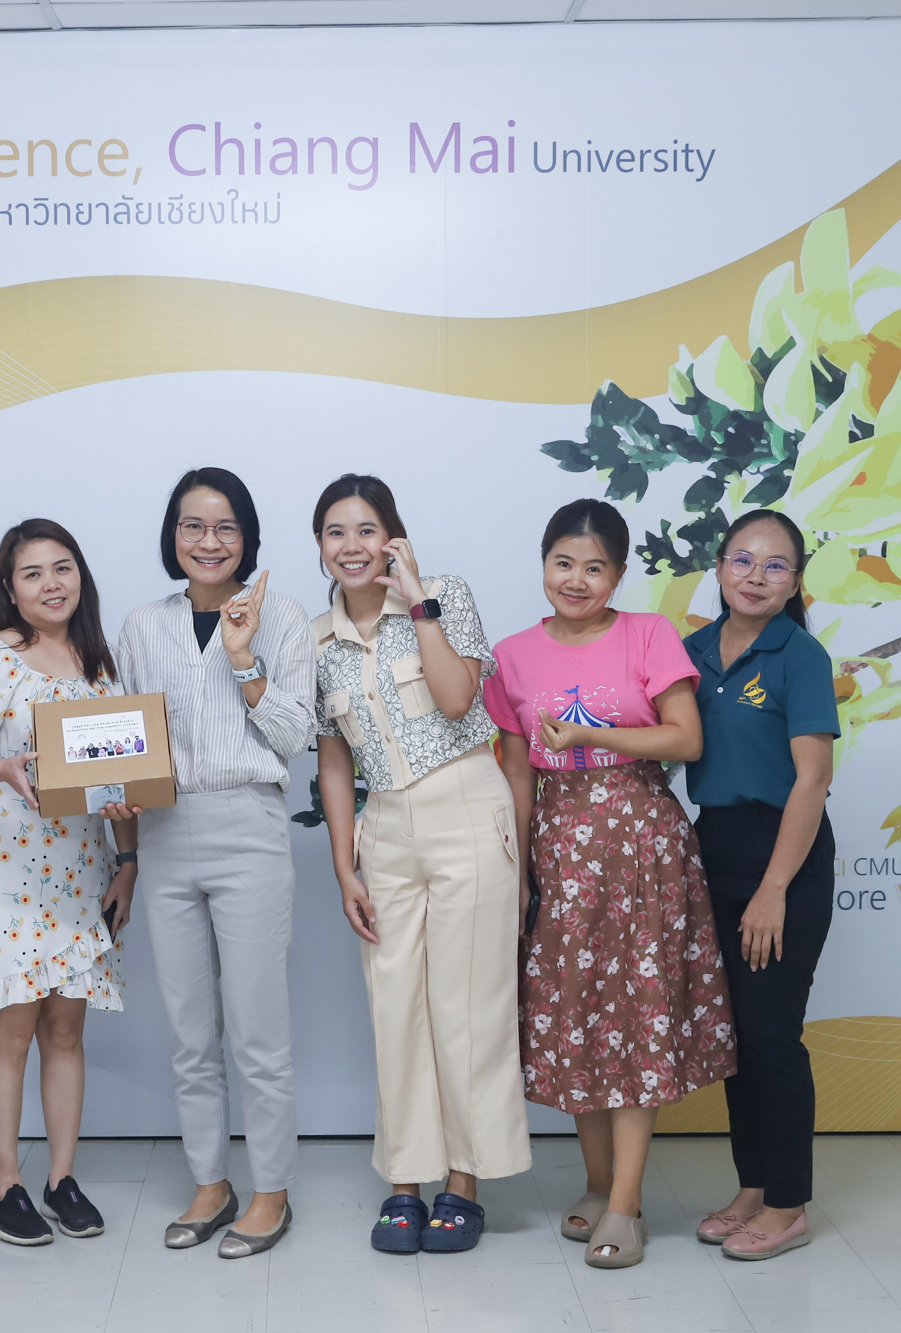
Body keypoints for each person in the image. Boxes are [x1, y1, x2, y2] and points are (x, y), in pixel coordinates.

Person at [484, 498, 735, 1270]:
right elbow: (518, 771)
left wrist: (591, 733)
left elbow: (685, 737)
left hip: (639, 845)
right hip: (559, 849)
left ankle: (626, 1203)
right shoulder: (513, 655)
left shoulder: (648, 633)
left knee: (633, 1017)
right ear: (544, 563)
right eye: (563, 562)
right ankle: (597, 1184)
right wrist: (519, 868)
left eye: (594, 567)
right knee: (578, 1017)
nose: (577, 579)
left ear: (619, 575)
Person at [308, 474, 531, 1255]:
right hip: (386, 828)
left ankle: (463, 1184)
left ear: (394, 537)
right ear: (320, 545)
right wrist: (345, 865)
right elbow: (334, 761)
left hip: (466, 804)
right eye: (336, 532)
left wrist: (418, 599)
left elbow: (458, 697)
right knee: (394, 1007)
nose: (352, 546)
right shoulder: (317, 640)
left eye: (367, 530)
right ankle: (406, 1180)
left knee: (466, 1007)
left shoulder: (444, 595)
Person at [115, 467, 315, 1258]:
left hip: (248, 823)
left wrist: (243, 656)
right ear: (173, 534)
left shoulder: (282, 617)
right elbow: (125, 742)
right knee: (189, 1030)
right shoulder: (142, 625)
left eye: (225, 526)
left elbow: (295, 735)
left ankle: (270, 1191)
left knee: (259, 1032)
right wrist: (116, 805)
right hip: (165, 831)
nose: (209, 540)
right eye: (193, 525)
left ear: (247, 536)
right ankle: (210, 1181)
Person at [0, 519, 138, 1247]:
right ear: (10, 588)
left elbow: (120, 782)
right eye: (33, 573)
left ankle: (60, 1178)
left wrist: (128, 861)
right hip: (8, 871)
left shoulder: (100, 666)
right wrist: (1, 767)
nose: (52, 584)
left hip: (81, 872)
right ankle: (3, 1186)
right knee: (13, 1033)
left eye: (62, 567)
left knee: (66, 1032)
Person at [683, 509, 840, 1262]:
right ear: (719, 569)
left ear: (796, 581)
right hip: (713, 845)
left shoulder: (799, 656)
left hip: (785, 853)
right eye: (742, 559)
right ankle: (753, 1186)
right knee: (735, 1035)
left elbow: (812, 779)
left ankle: (788, 1203)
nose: (755, 575)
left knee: (772, 1033)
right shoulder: (690, 653)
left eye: (775, 565)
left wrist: (774, 888)